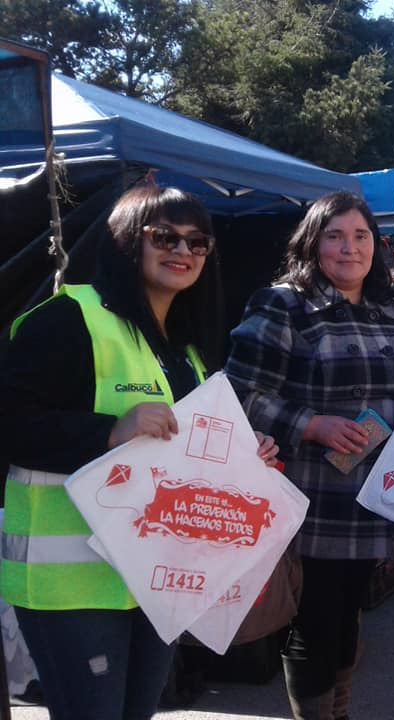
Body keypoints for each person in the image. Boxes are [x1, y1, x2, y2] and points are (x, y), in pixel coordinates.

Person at [0, 184, 277, 720]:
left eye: (198, 242)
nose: (183, 251)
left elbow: (184, 452)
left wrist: (244, 455)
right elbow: (11, 424)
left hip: (155, 575)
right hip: (72, 583)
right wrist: (108, 430)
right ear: (128, 240)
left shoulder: (186, 348)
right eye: (164, 236)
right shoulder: (67, 319)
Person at [225, 191, 394, 720]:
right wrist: (312, 424)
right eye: (334, 235)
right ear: (313, 242)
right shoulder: (282, 303)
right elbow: (240, 394)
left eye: (361, 236)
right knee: (314, 623)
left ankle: (339, 712)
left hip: (378, 495)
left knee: (347, 620)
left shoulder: (391, 307)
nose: (348, 247)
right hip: (313, 499)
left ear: (376, 246)